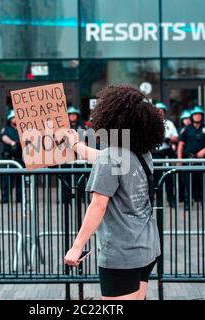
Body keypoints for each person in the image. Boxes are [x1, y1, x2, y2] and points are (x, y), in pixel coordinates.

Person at [64, 85, 165, 300]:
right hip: (147, 247)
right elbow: (104, 157)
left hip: (121, 253)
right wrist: (76, 145)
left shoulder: (111, 157)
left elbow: (98, 205)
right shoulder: (142, 153)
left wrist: (76, 246)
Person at [177, 105, 205, 210]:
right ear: (192, 116)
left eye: (199, 114)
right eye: (195, 114)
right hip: (189, 159)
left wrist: (204, 150)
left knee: (203, 183)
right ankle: (187, 203)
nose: (197, 116)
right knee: (188, 183)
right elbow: (180, 145)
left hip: (202, 160)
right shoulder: (186, 129)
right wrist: (179, 160)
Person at [152, 102, 178, 207]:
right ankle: (152, 200)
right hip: (154, 153)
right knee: (153, 178)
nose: (160, 112)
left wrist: (168, 139)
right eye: (158, 110)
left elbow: (176, 138)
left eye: (162, 111)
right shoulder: (150, 123)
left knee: (168, 176)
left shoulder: (169, 124)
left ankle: (171, 199)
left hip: (165, 153)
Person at [0, 109, 23, 203]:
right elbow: (3, 137)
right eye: (13, 118)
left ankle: (20, 198)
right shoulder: (6, 129)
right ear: (10, 119)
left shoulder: (22, 129)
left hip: (20, 157)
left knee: (20, 179)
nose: (15, 119)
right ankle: (5, 199)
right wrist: (12, 143)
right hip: (9, 157)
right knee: (7, 180)